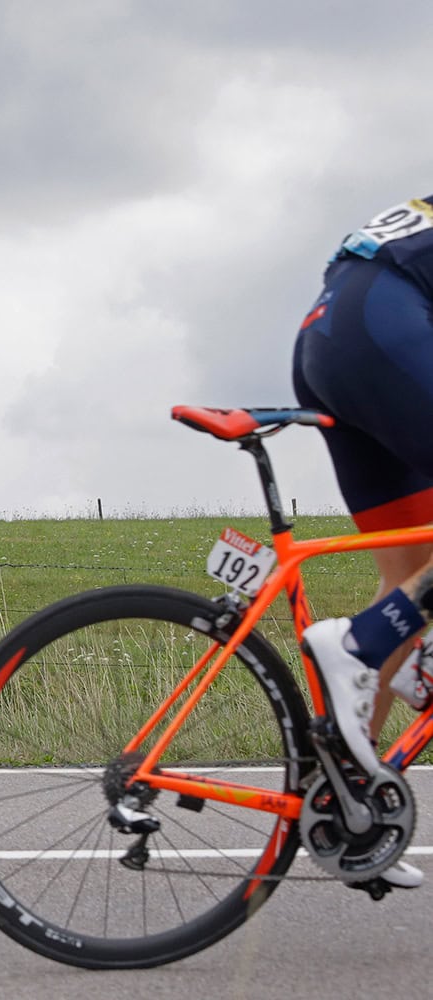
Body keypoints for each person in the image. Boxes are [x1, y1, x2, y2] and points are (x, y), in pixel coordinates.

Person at [295, 195, 433, 889]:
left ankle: (352, 809)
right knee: (389, 620)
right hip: (383, 328)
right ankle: (360, 645)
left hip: (339, 329)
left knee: (409, 573)